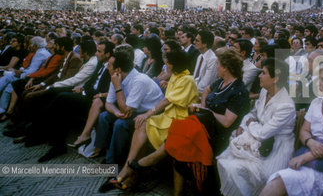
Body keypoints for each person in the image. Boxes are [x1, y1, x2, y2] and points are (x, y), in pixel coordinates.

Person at [100, 49, 198, 191]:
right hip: (167, 116)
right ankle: (129, 171)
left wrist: (147, 114)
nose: (165, 66)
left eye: (167, 63)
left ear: (174, 64)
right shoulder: (177, 76)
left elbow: (166, 101)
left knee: (137, 122)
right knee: (140, 123)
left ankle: (127, 172)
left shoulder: (187, 79)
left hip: (178, 119)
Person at [261, 62, 323, 196]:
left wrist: (303, 158)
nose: (318, 83)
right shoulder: (316, 102)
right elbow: (304, 130)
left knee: (280, 180)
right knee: (279, 179)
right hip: (311, 157)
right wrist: (311, 142)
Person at [167, 47, 251, 195]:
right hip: (205, 126)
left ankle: (142, 164)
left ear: (226, 68)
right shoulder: (221, 82)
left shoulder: (239, 91)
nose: (216, 67)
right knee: (180, 137)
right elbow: (206, 90)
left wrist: (207, 112)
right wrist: (203, 107)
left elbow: (226, 122)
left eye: (218, 64)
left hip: (220, 134)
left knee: (179, 139)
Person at [217, 58, 296, 196]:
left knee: (234, 167)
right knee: (225, 160)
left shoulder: (286, 106)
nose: (259, 76)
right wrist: (244, 124)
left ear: (275, 79)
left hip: (274, 148)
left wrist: (251, 124)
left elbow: (264, 133)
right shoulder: (265, 91)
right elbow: (253, 113)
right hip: (257, 139)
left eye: (263, 73)